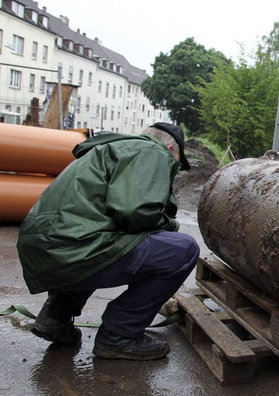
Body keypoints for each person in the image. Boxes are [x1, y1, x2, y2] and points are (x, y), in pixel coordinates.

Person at [17, 122, 200, 359]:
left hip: (44, 250)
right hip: (72, 248)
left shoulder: (106, 149)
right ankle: (120, 335)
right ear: (169, 148)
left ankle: (56, 316)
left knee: (105, 240)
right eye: (176, 161)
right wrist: (170, 225)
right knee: (183, 250)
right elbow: (136, 213)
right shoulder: (152, 151)